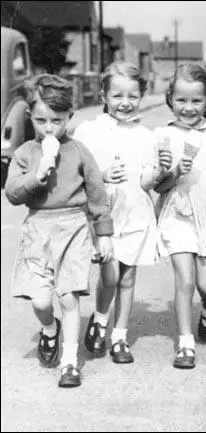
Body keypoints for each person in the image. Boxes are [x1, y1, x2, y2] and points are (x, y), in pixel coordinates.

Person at [5, 74, 114, 388]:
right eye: (41, 120)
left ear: (70, 116)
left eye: (56, 120)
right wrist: (37, 175)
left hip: (73, 229)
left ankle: (69, 362)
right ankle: (49, 329)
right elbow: (13, 193)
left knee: (68, 298)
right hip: (37, 230)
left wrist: (103, 232)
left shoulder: (79, 151)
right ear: (31, 118)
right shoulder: (25, 153)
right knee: (41, 301)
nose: (48, 128)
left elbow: (96, 193)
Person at [74, 61, 165, 364]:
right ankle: (100, 318)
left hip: (136, 212)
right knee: (110, 274)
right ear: (103, 95)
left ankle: (119, 337)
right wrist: (100, 176)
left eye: (132, 96)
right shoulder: (89, 132)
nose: (125, 103)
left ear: (142, 96)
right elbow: (77, 175)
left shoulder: (146, 136)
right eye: (117, 95)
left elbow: (146, 182)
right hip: (106, 216)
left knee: (127, 278)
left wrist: (161, 171)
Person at [153, 64, 206, 369]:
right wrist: (173, 172)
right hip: (177, 216)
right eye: (181, 100)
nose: (188, 108)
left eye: (196, 100)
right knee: (185, 280)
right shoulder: (163, 135)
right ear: (170, 99)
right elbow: (159, 185)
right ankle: (185, 344)